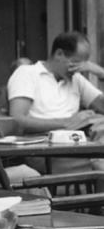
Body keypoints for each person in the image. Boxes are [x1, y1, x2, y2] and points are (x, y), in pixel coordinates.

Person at [8, 31, 104, 174]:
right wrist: (67, 122)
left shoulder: (76, 79)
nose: (79, 69)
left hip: (78, 145)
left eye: (84, 65)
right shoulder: (27, 73)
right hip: (43, 149)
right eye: (75, 63)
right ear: (59, 54)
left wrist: (98, 71)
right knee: (99, 161)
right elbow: (17, 120)